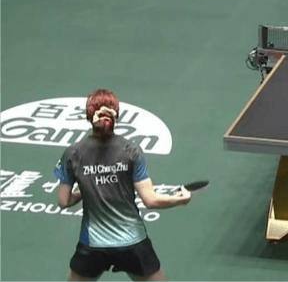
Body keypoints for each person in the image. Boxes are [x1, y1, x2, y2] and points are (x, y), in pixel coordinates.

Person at [53, 88, 192, 281]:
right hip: (132, 241)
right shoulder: (131, 151)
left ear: (89, 116)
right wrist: (179, 200)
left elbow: (63, 201)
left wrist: (88, 186)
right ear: (116, 116)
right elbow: (151, 200)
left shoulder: (72, 153)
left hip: (93, 244)